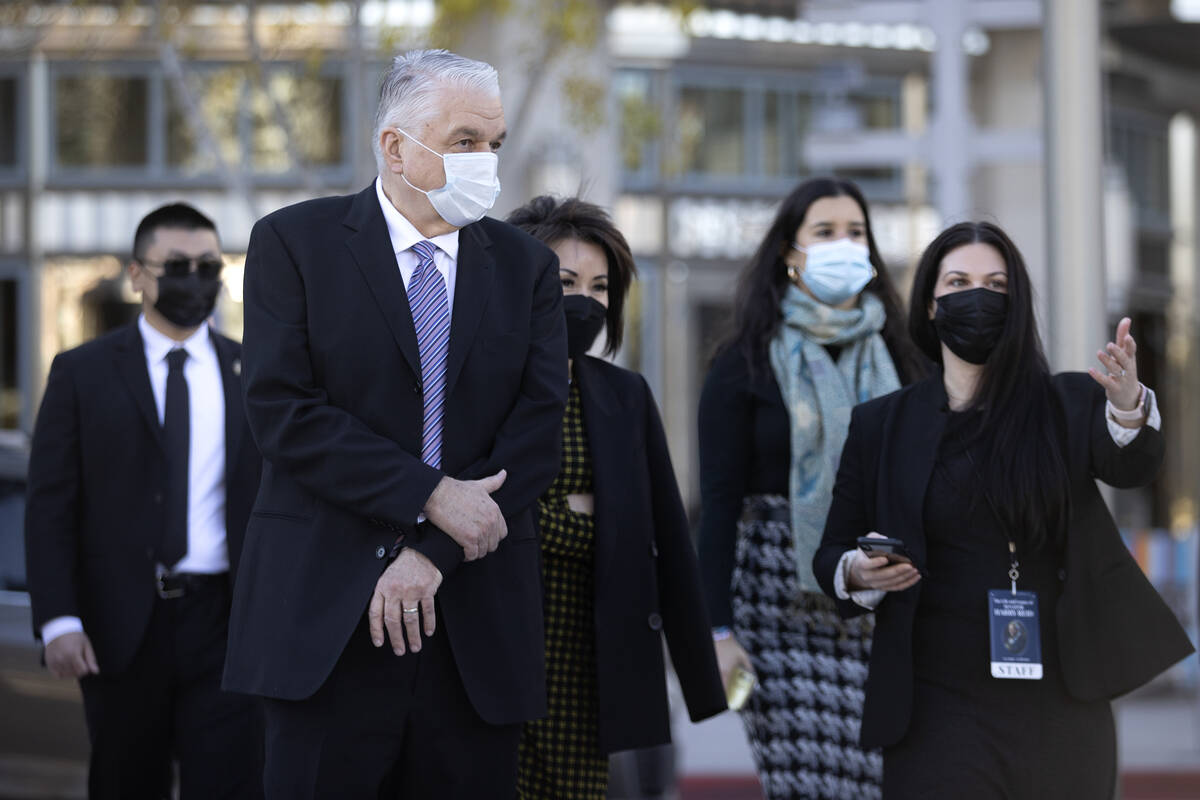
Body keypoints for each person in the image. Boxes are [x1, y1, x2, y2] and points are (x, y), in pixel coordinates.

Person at [221, 49, 568, 799]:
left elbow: (535, 436)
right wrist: (428, 492)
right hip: (324, 627)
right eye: (466, 141)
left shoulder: (525, 269)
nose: (486, 161)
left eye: (495, 143)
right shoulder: (294, 244)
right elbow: (283, 413)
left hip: (473, 631)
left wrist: (434, 553)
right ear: (395, 146)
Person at [813, 221, 1194, 798]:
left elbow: (1132, 465)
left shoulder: (1066, 403)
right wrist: (858, 573)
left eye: (996, 285)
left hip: (1061, 704)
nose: (978, 297)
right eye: (959, 281)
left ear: (1016, 306)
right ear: (932, 304)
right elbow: (830, 554)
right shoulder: (882, 426)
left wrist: (1128, 405)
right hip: (933, 705)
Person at [24, 203, 263, 799]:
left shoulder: (256, 371)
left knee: (232, 786)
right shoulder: (81, 373)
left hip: (227, 624)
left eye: (209, 266)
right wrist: (58, 620)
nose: (195, 279)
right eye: (176, 265)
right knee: (127, 784)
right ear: (136, 274)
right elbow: (50, 506)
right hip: (121, 627)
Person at [697, 177, 925, 799]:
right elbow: (716, 509)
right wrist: (716, 636)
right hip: (777, 606)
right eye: (824, 232)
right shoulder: (742, 362)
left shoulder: (902, 357)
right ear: (789, 253)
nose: (843, 245)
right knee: (809, 786)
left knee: (878, 783)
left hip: (882, 601)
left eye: (856, 233)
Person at [506, 196, 726, 799]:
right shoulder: (474, 390)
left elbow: (667, 542)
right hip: (494, 657)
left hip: (592, 658)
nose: (585, 300)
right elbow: (470, 510)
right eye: (565, 281)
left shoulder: (624, 396)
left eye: (600, 286)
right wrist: (577, 520)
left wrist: (703, 673)